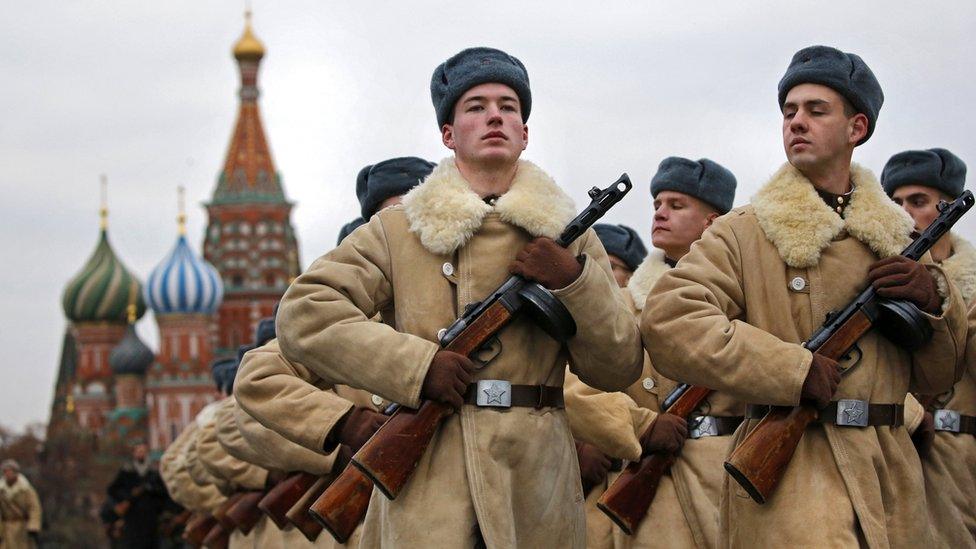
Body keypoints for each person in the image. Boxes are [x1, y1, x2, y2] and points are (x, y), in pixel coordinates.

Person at [273, 47, 642, 547]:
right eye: (476, 106)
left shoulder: (569, 236)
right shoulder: (399, 230)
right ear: (448, 135)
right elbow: (304, 313)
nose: (495, 115)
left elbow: (618, 365)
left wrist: (574, 281)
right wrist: (417, 367)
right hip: (432, 477)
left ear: (525, 132)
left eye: (509, 106)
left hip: (532, 475)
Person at [643, 45, 968, 546]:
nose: (797, 121)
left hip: (890, 479)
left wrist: (933, 300)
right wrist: (791, 370)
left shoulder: (899, 241)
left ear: (856, 128)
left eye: (817, 110)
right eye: (789, 111)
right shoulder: (744, 231)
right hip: (794, 477)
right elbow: (670, 320)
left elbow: (937, 374)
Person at [567, 158, 739, 548]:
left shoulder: (744, 297)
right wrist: (633, 425)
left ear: (712, 222)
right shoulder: (622, 303)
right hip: (642, 472)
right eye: (657, 203)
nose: (660, 212)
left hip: (720, 474)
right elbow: (572, 379)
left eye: (677, 205)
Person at [882, 147, 976, 546]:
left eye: (917, 201)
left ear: (946, 210)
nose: (904, 212)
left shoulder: (973, 291)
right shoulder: (873, 286)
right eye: (895, 202)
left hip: (960, 468)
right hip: (890, 453)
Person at [106, 443, 170, 549]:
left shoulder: (153, 472)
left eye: (144, 452)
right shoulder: (127, 471)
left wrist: (151, 492)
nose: (141, 454)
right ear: (134, 453)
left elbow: (164, 492)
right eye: (139, 451)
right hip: (133, 517)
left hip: (151, 517)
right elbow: (112, 490)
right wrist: (128, 496)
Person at [0, 460, 41, 549]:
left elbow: (34, 508)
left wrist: (33, 526)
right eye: (5, 471)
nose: (8, 474)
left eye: (10, 471)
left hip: (23, 528)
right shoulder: (1, 490)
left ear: (15, 473)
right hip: (6, 528)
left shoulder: (26, 490)